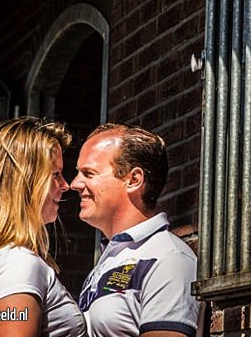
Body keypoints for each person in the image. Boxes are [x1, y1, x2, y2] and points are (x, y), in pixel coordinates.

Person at [0, 117, 87, 336]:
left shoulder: (11, 260)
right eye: (55, 174)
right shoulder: (17, 263)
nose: (66, 185)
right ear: (24, 182)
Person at [71, 123, 199, 337]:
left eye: (88, 173)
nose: (75, 183)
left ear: (133, 180)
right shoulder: (111, 257)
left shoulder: (168, 258)